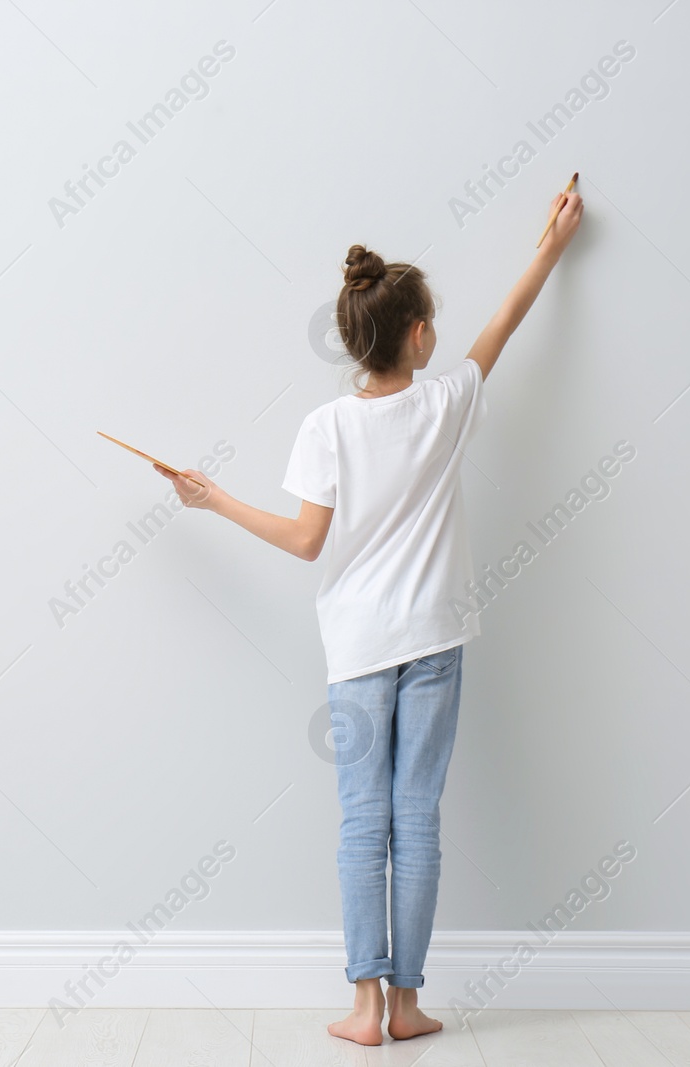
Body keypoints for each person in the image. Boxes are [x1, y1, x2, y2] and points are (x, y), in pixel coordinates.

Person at [154, 189, 584, 1045]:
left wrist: (214, 501)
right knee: (415, 815)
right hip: (433, 641)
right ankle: (410, 1003)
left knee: (363, 817)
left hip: (355, 646)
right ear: (419, 336)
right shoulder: (447, 400)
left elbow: (307, 541)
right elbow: (508, 319)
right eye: (432, 322)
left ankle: (362, 1007)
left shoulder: (325, 426)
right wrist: (551, 246)